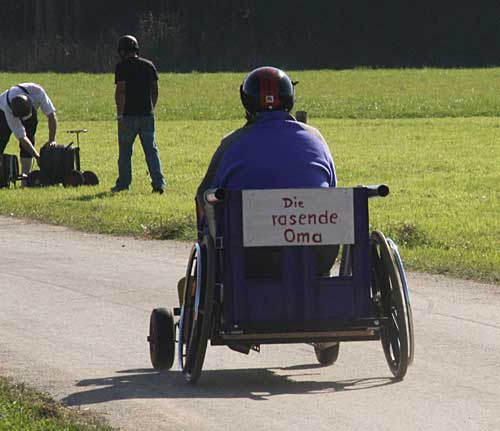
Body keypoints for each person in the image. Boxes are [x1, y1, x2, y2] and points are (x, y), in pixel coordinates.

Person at [196, 66, 338, 277]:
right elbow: (332, 187)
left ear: (247, 102)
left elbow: (204, 196)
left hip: (249, 261)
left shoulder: (232, 143)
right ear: (290, 99)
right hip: (316, 257)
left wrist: (206, 239)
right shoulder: (316, 138)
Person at [112, 34, 165, 194]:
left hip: (128, 116)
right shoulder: (149, 65)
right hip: (147, 116)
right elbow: (155, 91)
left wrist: (120, 116)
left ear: (122, 51)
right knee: (151, 151)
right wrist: (151, 108)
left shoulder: (121, 67)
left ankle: (123, 184)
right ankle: (158, 184)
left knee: (125, 152)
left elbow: (120, 92)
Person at [0, 83, 57, 178]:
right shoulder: (7, 108)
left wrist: (52, 140)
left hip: (30, 110)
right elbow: (22, 137)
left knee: (30, 137)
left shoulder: (38, 92)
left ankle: (26, 177)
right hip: (1, 112)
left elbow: (51, 115)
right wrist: (37, 156)